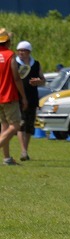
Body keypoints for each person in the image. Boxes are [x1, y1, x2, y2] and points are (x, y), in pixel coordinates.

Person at [0, 28, 27, 166]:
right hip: (9, 96)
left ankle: (7, 158)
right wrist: (23, 96)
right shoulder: (10, 55)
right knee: (15, 126)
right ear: (8, 42)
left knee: (5, 127)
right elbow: (17, 78)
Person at [14, 41, 43, 162]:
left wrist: (38, 81)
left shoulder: (36, 64)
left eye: (24, 50)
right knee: (21, 124)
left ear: (29, 52)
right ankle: (23, 150)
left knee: (29, 126)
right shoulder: (14, 63)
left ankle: (25, 149)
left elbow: (43, 79)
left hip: (32, 97)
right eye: (19, 50)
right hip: (18, 97)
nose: (21, 53)